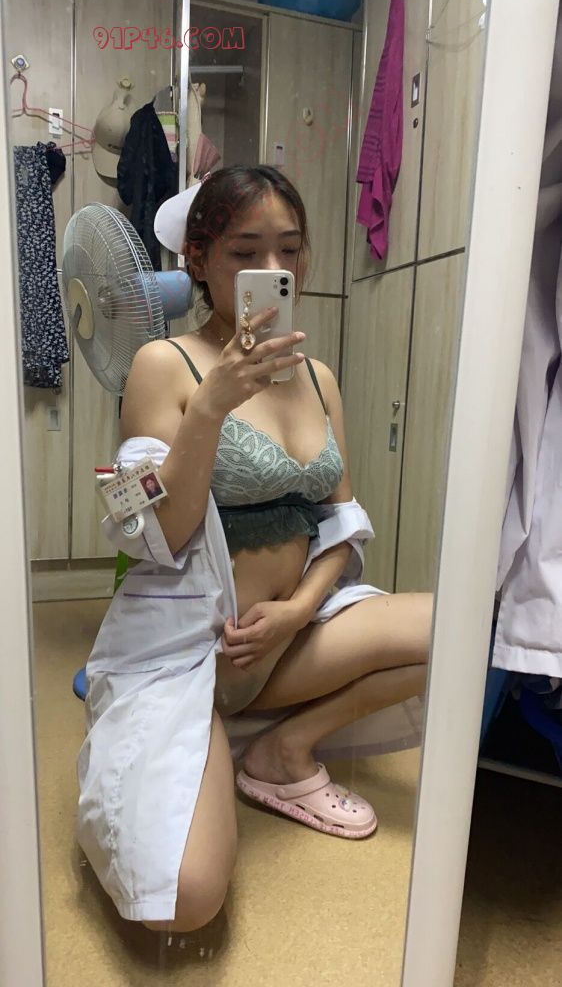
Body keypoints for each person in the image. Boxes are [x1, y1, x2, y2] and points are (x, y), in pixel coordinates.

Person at [77, 165, 432, 935]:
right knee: (185, 901)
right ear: (199, 259)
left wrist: (298, 609)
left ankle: (283, 750)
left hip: (284, 643)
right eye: (245, 252)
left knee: (459, 631)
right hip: (186, 656)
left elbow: (341, 522)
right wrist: (209, 407)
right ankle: (182, 744)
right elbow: (154, 536)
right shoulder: (162, 364)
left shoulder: (319, 378)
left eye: (289, 249)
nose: (273, 269)